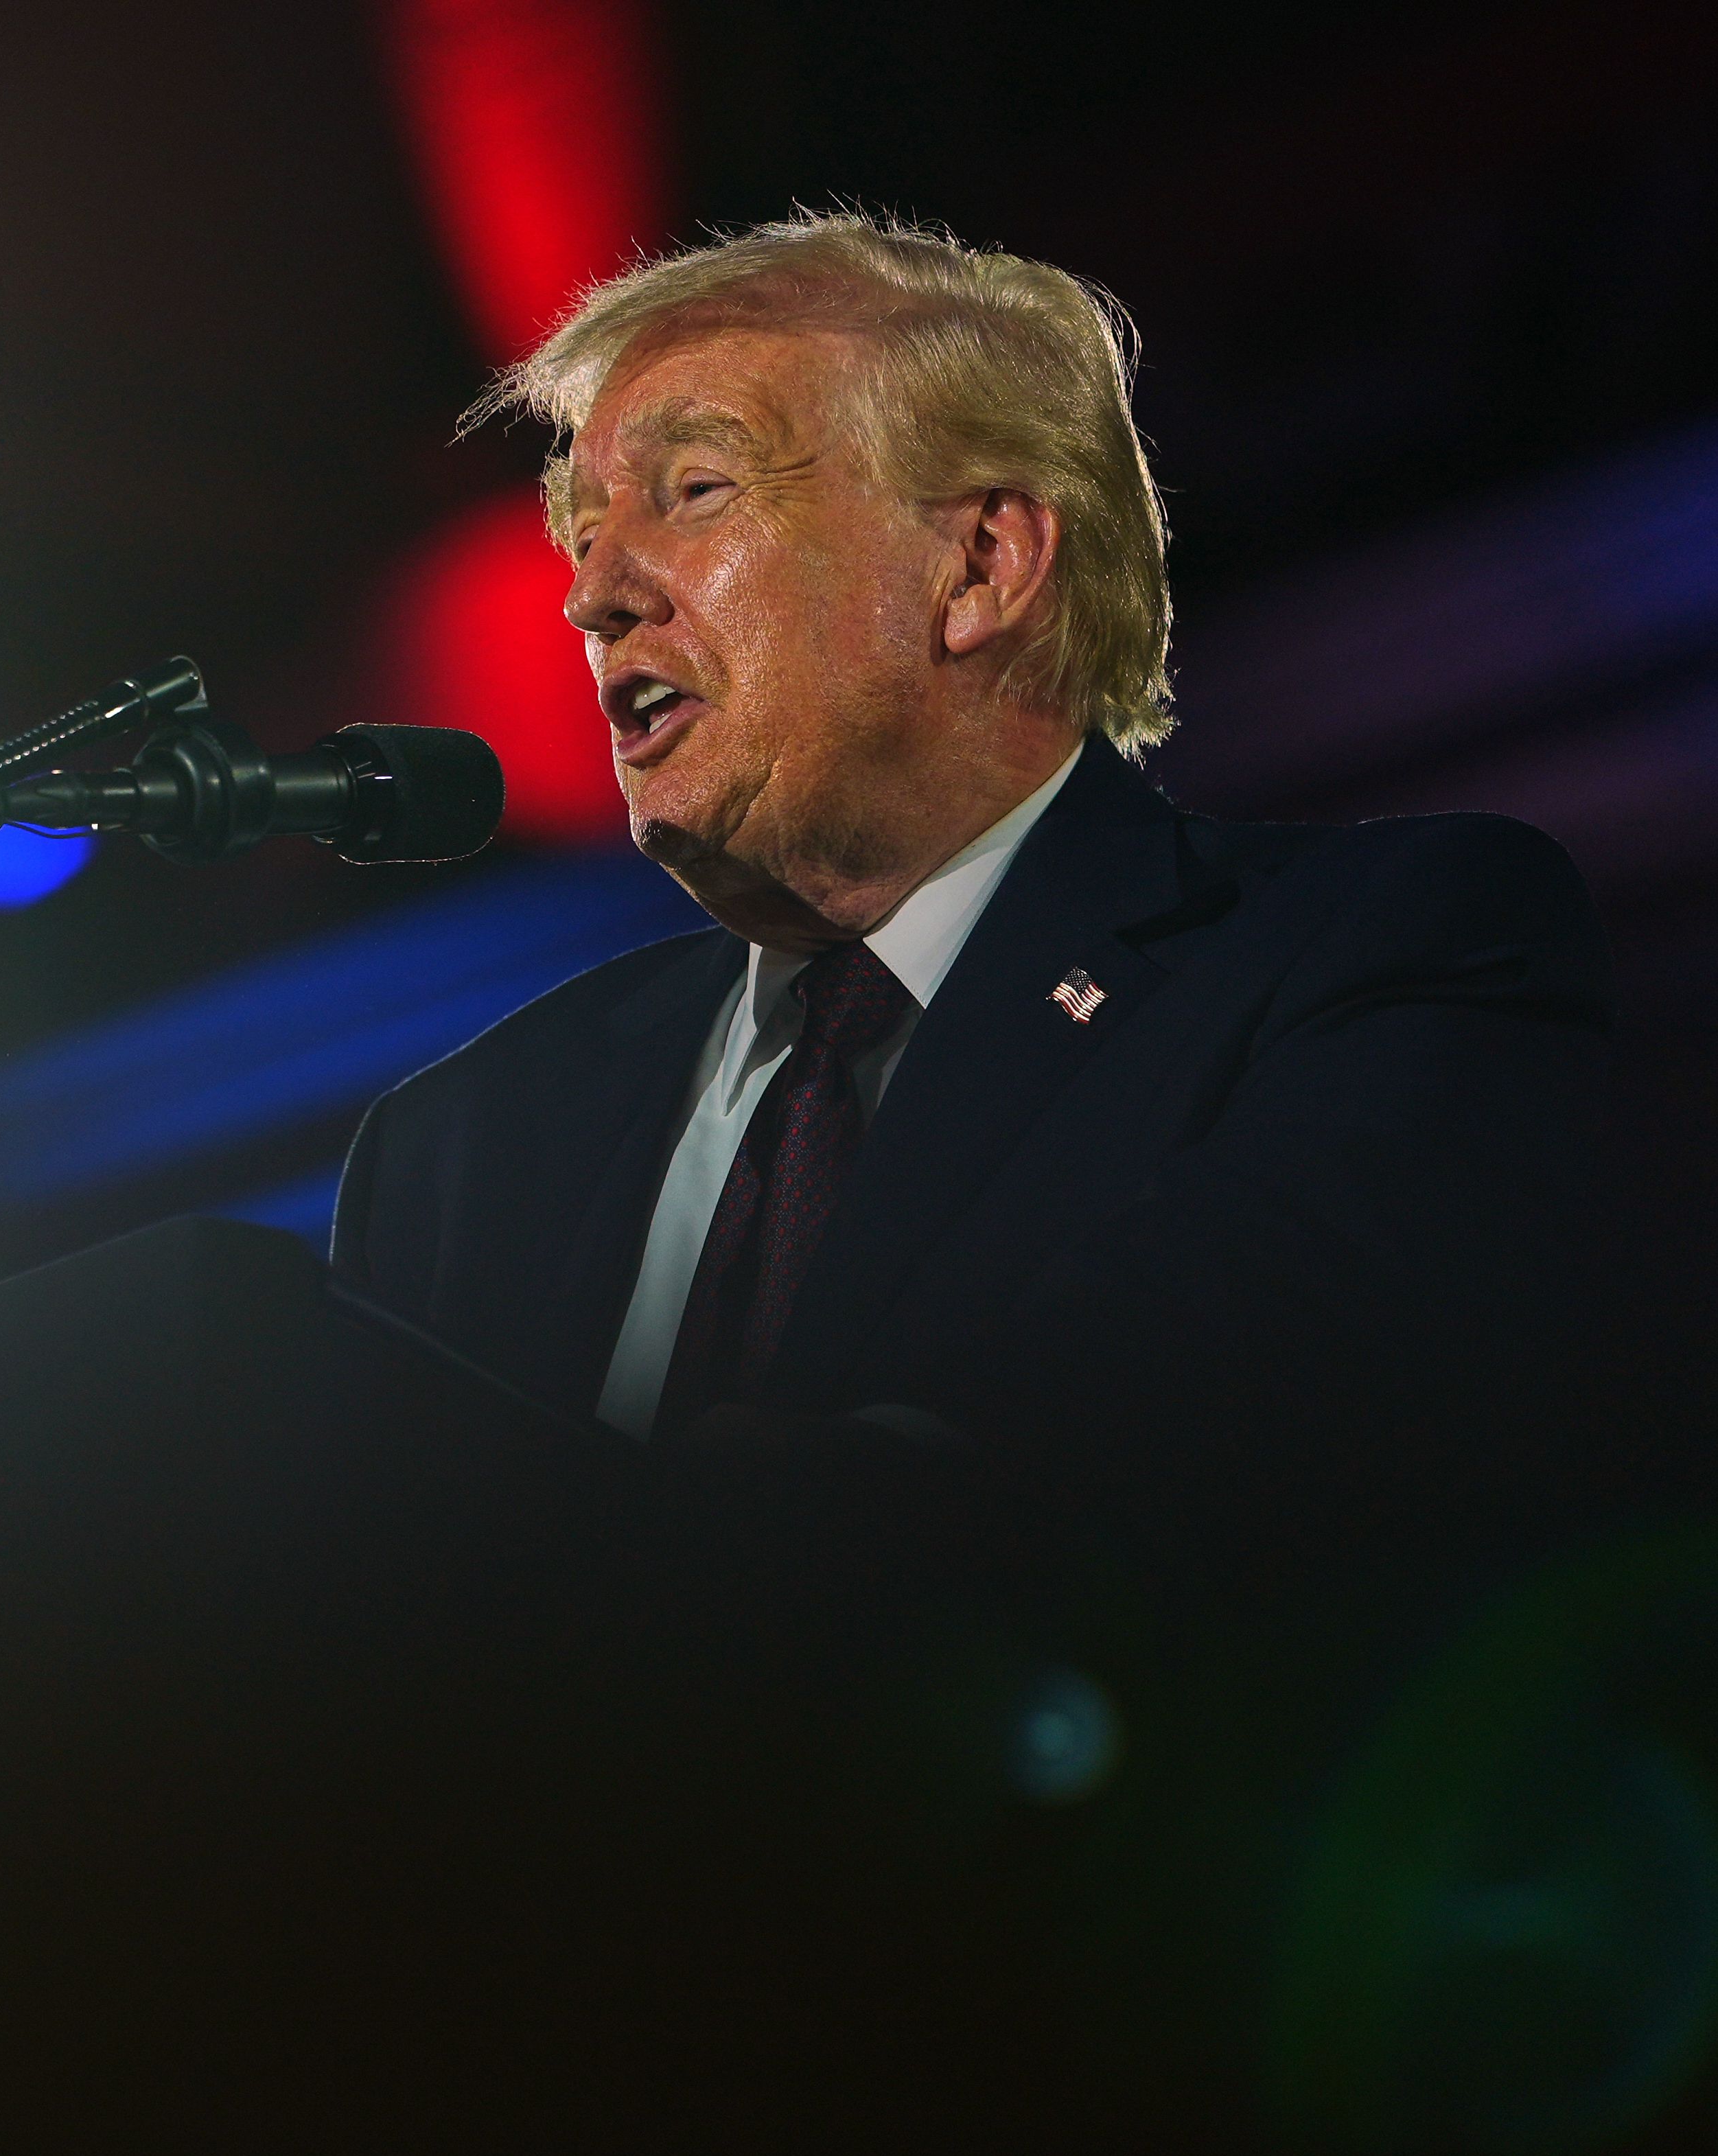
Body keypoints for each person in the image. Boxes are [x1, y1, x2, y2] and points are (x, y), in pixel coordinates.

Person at [329, 215, 1612, 1485]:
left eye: (696, 490)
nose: (591, 594)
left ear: (982, 565)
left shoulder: (1378, 948)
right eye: (584, 530)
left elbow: (1247, 1394)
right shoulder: (454, 1153)